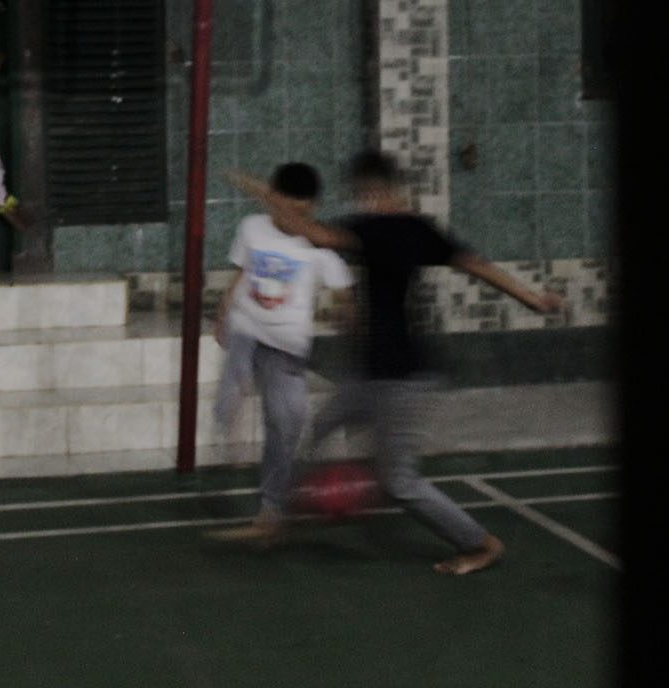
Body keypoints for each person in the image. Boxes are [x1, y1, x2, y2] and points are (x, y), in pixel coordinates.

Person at [232, 150, 566, 575]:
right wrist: (531, 298)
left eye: (359, 193)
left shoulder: (376, 228)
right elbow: (477, 265)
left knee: (399, 482)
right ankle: (279, 518)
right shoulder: (418, 229)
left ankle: (479, 543)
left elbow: (312, 233)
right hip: (371, 372)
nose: (358, 200)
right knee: (322, 426)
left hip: (401, 378)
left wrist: (267, 195)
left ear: (371, 190)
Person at [207, 162, 355, 547]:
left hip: (287, 347)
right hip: (246, 329)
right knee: (230, 392)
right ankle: (232, 410)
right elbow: (242, 273)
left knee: (286, 426)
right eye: (286, 207)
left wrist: (347, 318)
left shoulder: (319, 248)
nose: (292, 218)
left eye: (301, 211)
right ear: (272, 200)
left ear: (312, 207)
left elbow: (344, 293)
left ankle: (270, 512)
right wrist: (223, 310)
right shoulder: (252, 227)